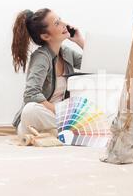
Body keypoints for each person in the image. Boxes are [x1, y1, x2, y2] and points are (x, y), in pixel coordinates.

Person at [11, 8, 84, 138]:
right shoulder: (41, 57)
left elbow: (93, 63)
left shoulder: (66, 53)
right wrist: (60, 112)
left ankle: (57, 132)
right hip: (40, 117)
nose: (64, 24)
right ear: (45, 36)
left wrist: (79, 40)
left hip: (58, 118)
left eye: (60, 19)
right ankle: (69, 130)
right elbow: (31, 94)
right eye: (57, 23)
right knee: (30, 110)